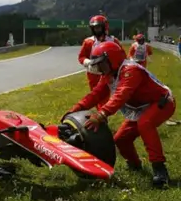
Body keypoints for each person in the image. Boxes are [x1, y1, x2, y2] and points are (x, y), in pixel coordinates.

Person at [64, 41, 175, 187]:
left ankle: (160, 170)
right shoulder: (109, 74)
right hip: (140, 108)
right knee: (121, 139)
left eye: (102, 64)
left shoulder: (131, 70)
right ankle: (135, 165)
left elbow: (121, 95)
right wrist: (75, 109)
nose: (100, 68)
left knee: (145, 124)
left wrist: (102, 114)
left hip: (162, 103)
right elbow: (96, 94)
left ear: (112, 59)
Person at [77, 15, 125, 110]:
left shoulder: (113, 41)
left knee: (106, 94)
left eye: (98, 27)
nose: (96, 30)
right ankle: (101, 113)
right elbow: (81, 57)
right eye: (94, 28)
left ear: (104, 27)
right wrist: (88, 62)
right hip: (93, 73)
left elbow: (122, 55)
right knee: (95, 95)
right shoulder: (88, 42)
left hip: (108, 72)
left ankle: (102, 113)